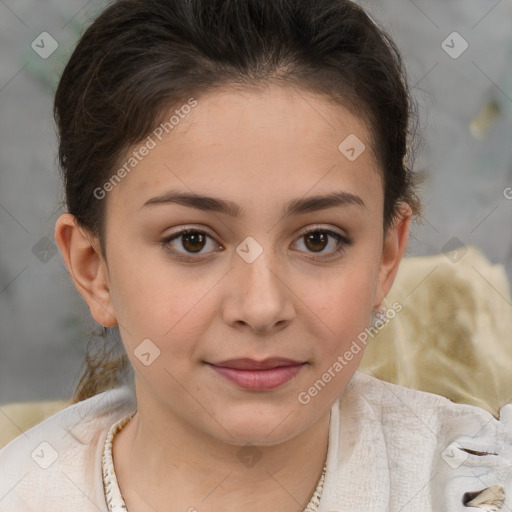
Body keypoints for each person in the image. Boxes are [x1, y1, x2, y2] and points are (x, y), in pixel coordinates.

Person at [1, 0, 511, 510]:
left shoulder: (478, 488)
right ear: (95, 270)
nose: (262, 307)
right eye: (192, 241)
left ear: (385, 256)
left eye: (318, 239)